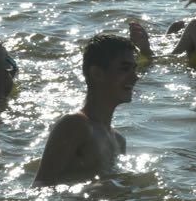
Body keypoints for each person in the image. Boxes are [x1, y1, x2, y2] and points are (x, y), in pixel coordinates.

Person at [33, 33, 136, 186]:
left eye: (134, 69)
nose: (135, 77)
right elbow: (40, 187)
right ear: (97, 73)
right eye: (125, 69)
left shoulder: (119, 140)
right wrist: (90, 192)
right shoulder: (74, 125)